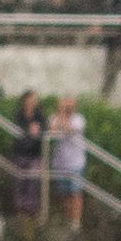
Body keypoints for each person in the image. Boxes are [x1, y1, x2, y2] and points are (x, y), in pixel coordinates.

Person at [49, 92, 90, 228]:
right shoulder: (54, 118)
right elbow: (53, 133)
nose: (68, 106)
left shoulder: (79, 119)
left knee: (76, 192)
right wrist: (60, 113)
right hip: (60, 162)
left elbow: (68, 130)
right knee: (64, 193)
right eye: (66, 102)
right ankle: (68, 220)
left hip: (76, 162)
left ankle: (76, 222)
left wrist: (63, 115)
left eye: (70, 103)